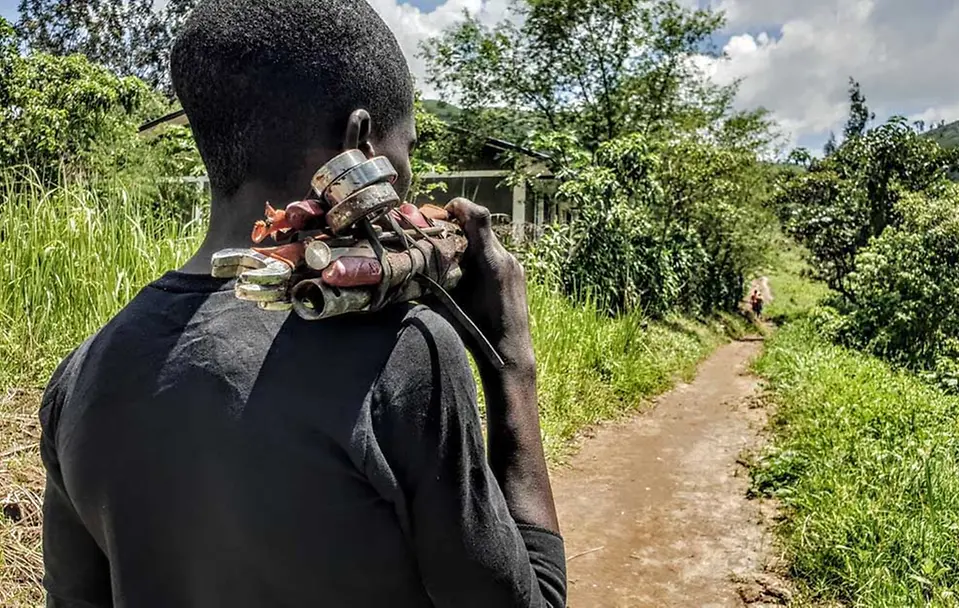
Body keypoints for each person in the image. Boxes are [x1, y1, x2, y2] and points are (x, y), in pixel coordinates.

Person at [37, 1, 567, 606]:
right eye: (408, 149)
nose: (409, 177)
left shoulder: (80, 377)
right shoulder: (403, 354)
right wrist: (511, 366)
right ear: (359, 143)